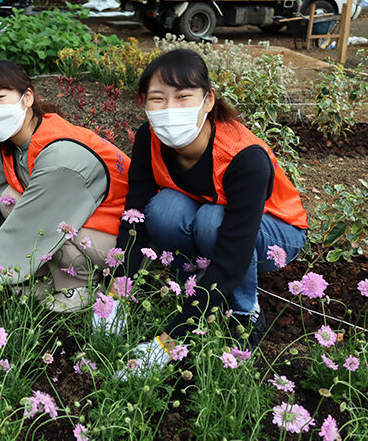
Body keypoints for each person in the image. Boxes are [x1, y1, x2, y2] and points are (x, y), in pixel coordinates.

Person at [97, 49, 307, 376]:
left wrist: (168, 342)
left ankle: (243, 313)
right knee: (164, 209)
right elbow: (134, 215)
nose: (169, 109)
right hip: (215, 219)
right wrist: (116, 292)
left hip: (276, 232)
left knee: (212, 222)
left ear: (208, 100)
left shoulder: (244, 156)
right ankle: (192, 289)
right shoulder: (148, 139)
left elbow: (234, 249)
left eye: (183, 97)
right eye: (157, 98)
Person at [0, 60, 131, 322]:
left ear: (26, 97)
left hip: (121, 240)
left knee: (45, 226)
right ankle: (40, 273)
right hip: (82, 217)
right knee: (8, 200)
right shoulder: (10, 145)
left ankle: (79, 287)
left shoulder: (60, 154)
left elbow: (31, 222)